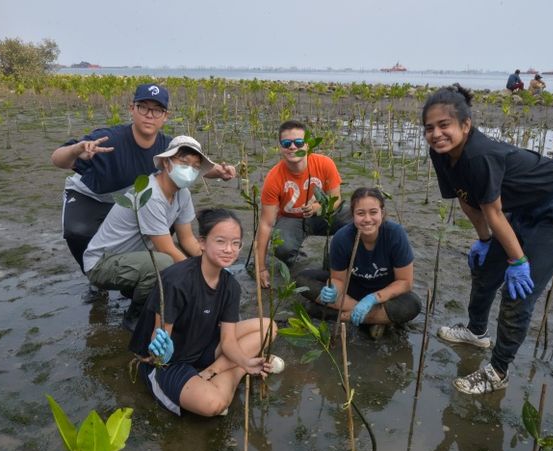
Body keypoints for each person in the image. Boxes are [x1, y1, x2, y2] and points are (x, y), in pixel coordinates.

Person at [422, 84, 553, 394]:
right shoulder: (440, 153)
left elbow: (494, 211)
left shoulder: (479, 155)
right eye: (429, 128)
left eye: (444, 125)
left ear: (466, 125)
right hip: (523, 205)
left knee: (518, 292)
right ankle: (476, 332)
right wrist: (484, 240)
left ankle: (498, 371)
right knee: (486, 269)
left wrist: (519, 260)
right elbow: (466, 199)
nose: (436, 133)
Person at [51, 83, 235, 273]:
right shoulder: (109, 139)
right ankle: (94, 277)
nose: (149, 115)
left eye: (157, 110)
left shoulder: (166, 147)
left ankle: (136, 272)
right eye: (143, 107)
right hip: (92, 196)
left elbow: (193, 165)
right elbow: (58, 159)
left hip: (130, 200)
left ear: (165, 116)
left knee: (165, 221)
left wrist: (220, 172)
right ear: (132, 109)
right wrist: (76, 150)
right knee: (77, 233)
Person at [129, 208, 281, 417]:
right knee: (214, 405)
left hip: (204, 347)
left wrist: (246, 363)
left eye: (235, 243)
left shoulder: (230, 286)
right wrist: (161, 353)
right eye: (220, 241)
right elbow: (158, 345)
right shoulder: (177, 281)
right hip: (171, 363)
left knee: (268, 327)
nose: (229, 249)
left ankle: (217, 371)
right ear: (201, 243)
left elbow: (227, 341)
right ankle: (231, 375)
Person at [83, 136, 214, 331]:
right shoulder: (150, 193)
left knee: (183, 261)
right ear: (165, 162)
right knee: (165, 263)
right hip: (101, 263)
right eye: (183, 162)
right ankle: (135, 316)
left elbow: (187, 239)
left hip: (133, 257)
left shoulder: (182, 194)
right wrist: (202, 279)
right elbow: (166, 249)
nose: (189, 169)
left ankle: (138, 290)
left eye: (195, 166)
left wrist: (211, 264)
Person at [297, 187, 421, 339]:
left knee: (412, 304)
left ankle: (341, 316)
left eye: (373, 212)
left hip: (384, 294)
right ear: (353, 215)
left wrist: (373, 298)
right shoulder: (342, 238)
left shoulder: (395, 234)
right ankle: (375, 319)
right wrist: (333, 289)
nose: (367, 219)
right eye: (361, 213)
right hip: (352, 290)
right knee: (302, 280)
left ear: (382, 213)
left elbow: (405, 282)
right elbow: (339, 280)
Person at [255, 120, 351, 288]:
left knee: (356, 218)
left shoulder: (325, 163)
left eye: (298, 142)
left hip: (323, 215)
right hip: (291, 220)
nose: (293, 147)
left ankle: (334, 266)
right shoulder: (273, 178)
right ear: (280, 147)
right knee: (282, 246)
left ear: (307, 145)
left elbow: (335, 200)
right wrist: (261, 267)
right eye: (287, 143)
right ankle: (300, 263)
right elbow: (266, 223)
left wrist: (319, 207)